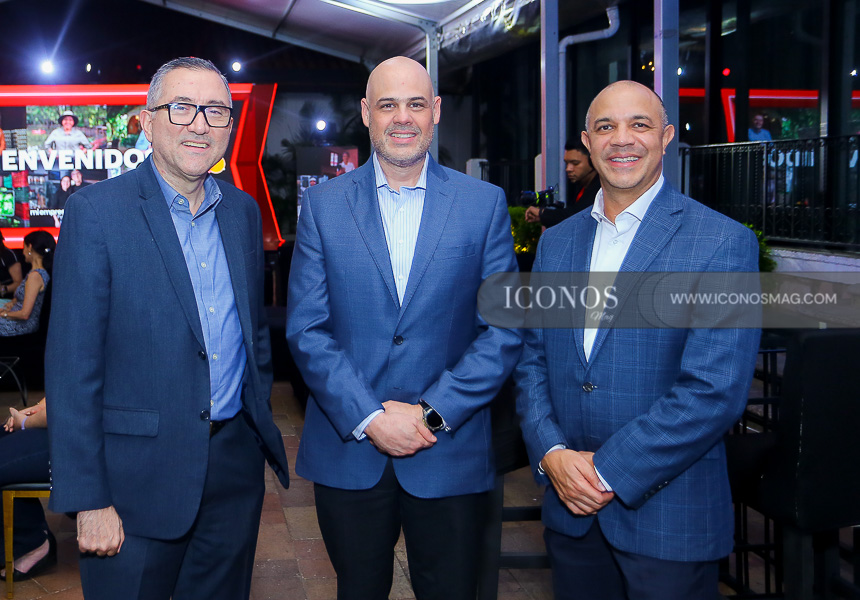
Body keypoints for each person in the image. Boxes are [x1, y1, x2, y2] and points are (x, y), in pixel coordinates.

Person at [45, 57, 288, 600]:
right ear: (148, 121)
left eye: (216, 111)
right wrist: (89, 499)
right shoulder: (96, 213)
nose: (200, 124)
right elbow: (71, 369)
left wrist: (253, 433)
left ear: (229, 126)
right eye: (182, 108)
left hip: (232, 474)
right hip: (133, 486)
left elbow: (251, 336)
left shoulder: (242, 213)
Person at [514, 80, 762, 600]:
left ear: (666, 137)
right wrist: (552, 453)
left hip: (668, 520)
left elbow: (714, 391)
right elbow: (533, 360)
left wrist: (603, 473)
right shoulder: (557, 244)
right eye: (606, 127)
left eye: (640, 125)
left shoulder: (722, 242)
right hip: (570, 514)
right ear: (588, 142)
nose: (622, 139)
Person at [286, 56, 522, 600]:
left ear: (435, 111)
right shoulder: (322, 206)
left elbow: (503, 329)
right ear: (366, 113)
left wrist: (430, 413)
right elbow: (307, 328)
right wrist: (370, 417)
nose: (402, 117)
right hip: (350, 450)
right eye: (388, 104)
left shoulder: (482, 204)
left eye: (415, 104)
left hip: (449, 450)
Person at [0, 398, 54, 582]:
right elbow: (62, 393)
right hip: (61, 422)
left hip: (78, 439)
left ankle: (33, 545)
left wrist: (25, 422)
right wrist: (36, 409)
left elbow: (68, 409)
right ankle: (33, 529)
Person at [526, 140, 601, 228]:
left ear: (593, 161)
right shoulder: (582, 187)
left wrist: (542, 213)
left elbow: (575, 216)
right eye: (567, 163)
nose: (568, 169)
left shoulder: (600, 189)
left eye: (575, 163)